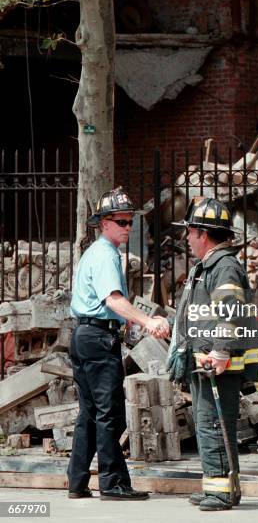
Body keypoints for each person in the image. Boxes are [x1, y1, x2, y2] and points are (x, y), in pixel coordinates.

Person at [67, 187, 169, 501]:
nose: (128, 228)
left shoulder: (96, 253)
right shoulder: (106, 254)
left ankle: (77, 481)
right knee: (110, 413)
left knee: (89, 413)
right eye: (122, 222)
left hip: (86, 336)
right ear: (104, 223)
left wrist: (125, 325)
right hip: (97, 338)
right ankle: (113, 483)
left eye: (130, 222)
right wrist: (148, 321)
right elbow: (113, 300)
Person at [168, 197, 258, 511]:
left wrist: (221, 351)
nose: (188, 239)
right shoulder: (209, 267)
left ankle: (221, 492)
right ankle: (220, 487)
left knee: (213, 424)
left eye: (190, 233)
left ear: (203, 234)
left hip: (216, 364)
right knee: (208, 423)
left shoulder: (223, 267)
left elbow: (230, 311)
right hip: (204, 361)